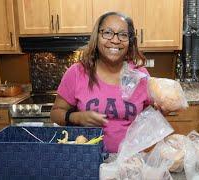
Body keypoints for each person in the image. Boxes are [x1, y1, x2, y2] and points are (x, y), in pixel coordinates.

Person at [50, 12, 153, 153]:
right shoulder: (77, 72)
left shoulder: (140, 75)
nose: (115, 40)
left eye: (123, 34)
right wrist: (77, 117)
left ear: (130, 41)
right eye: (108, 33)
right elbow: (55, 113)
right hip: (87, 160)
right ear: (97, 36)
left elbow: (150, 118)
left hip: (130, 163)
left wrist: (162, 110)